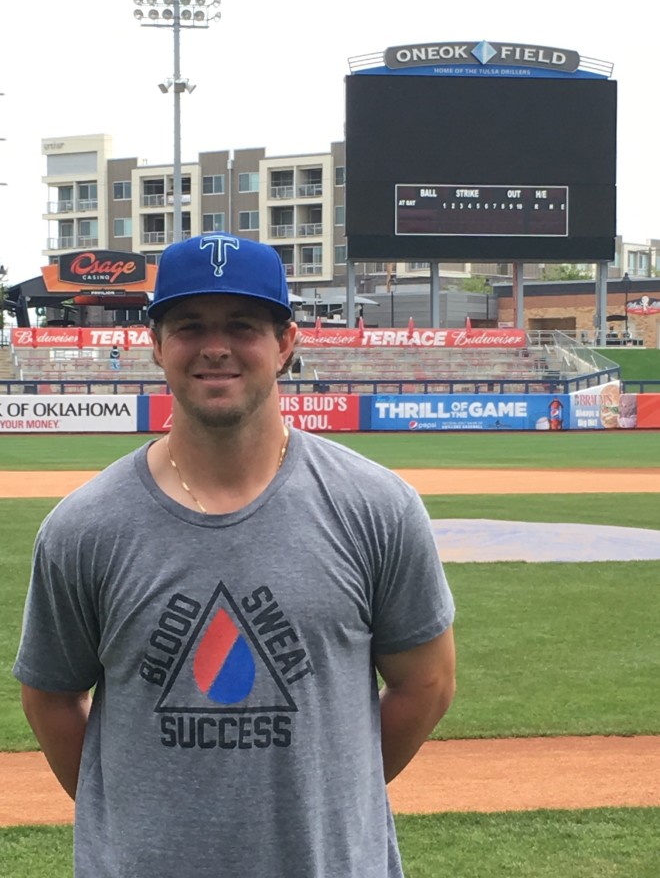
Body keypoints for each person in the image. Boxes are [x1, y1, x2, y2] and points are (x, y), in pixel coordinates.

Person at [13, 232, 456, 878]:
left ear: (285, 343)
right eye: (190, 325)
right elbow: (49, 697)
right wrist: (138, 812)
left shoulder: (377, 508)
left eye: (243, 325)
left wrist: (332, 795)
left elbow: (428, 682)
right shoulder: (84, 529)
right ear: (156, 343)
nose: (215, 347)